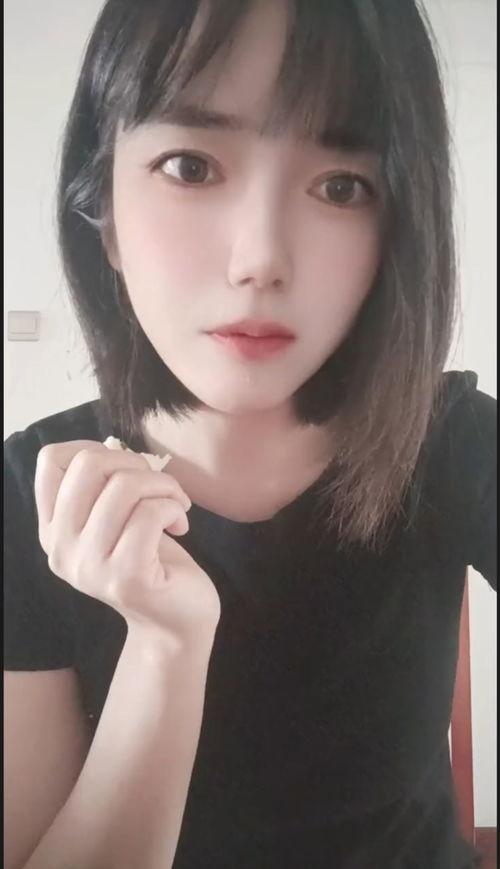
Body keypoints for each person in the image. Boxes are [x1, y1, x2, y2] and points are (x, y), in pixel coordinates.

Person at [4, 1, 496, 867]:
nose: (261, 258)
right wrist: (165, 643)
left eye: (341, 186)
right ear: (103, 211)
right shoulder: (26, 494)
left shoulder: (456, 443)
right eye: (190, 166)